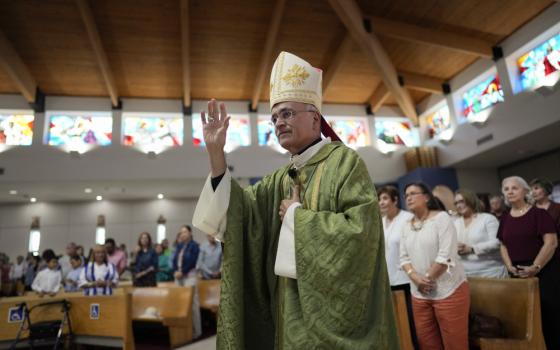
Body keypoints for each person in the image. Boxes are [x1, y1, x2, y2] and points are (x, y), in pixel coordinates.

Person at [193, 52, 398, 349]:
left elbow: (363, 235)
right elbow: (241, 215)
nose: (278, 122)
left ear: (315, 118)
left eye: (287, 113)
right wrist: (216, 156)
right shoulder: (279, 179)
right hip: (287, 307)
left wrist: (297, 217)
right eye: (275, 117)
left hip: (333, 317)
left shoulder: (345, 163)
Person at [400, 182, 469, 350]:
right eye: (406, 195)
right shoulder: (406, 226)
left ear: (426, 197)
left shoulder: (441, 218)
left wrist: (427, 279)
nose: (408, 197)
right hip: (418, 293)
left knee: (455, 344)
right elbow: (403, 258)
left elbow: (446, 256)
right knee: (427, 343)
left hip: (449, 290)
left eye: (413, 193)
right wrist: (416, 278)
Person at [497, 176, 560, 349]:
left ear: (525, 191)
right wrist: (509, 266)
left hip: (544, 272)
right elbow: (502, 245)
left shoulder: (539, 214)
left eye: (514, 188)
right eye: (506, 189)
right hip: (516, 273)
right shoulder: (505, 218)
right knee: (524, 321)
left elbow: (551, 243)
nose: (510, 191)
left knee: (551, 320)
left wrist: (536, 266)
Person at [377, 185, 417, 347]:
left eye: (385, 198)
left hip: (407, 278)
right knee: (397, 323)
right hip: (389, 280)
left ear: (395, 200)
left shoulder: (407, 218)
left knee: (411, 321)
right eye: (379, 199)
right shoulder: (381, 221)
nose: (381, 202)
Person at [454, 189, 508, 278]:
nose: (459, 205)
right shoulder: (455, 223)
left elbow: (497, 243)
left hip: (491, 272)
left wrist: (472, 249)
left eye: (461, 201)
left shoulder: (487, 219)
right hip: (466, 274)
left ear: (470, 200)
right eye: (456, 203)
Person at [172, 227, 201, 339]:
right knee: (180, 304)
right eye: (181, 232)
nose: (182, 234)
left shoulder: (194, 246)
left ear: (190, 233)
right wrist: (175, 271)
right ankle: (184, 331)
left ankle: (196, 331)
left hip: (189, 277)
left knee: (193, 303)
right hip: (178, 277)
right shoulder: (179, 246)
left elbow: (192, 261)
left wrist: (182, 272)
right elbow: (175, 260)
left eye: (185, 232)